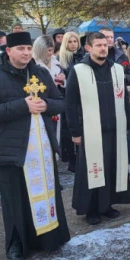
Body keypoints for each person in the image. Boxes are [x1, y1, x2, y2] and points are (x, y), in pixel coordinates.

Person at [0, 32, 70, 260]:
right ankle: (16, 244)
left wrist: (46, 104)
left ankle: (49, 238)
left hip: (42, 148)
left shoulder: (40, 73)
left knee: (45, 195)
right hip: (12, 149)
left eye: (29, 48)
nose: (26, 53)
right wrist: (22, 105)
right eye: (20, 49)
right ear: (8, 51)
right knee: (15, 199)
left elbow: (61, 103)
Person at [65, 32, 130, 225]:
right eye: (98, 45)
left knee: (111, 167)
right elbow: (70, 104)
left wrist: (127, 124)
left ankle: (107, 205)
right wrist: (75, 131)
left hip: (114, 128)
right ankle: (91, 209)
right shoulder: (78, 71)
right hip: (90, 130)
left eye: (105, 45)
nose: (103, 48)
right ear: (88, 48)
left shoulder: (118, 70)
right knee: (93, 169)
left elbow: (124, 99)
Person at [57, 31, 82, 171]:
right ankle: (71, 157)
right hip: (66, 96)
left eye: (75, 41)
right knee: (67, 129)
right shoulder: (61, 60)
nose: (73, 44)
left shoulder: (82, 56)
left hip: (81, 97)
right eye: (70, 42)